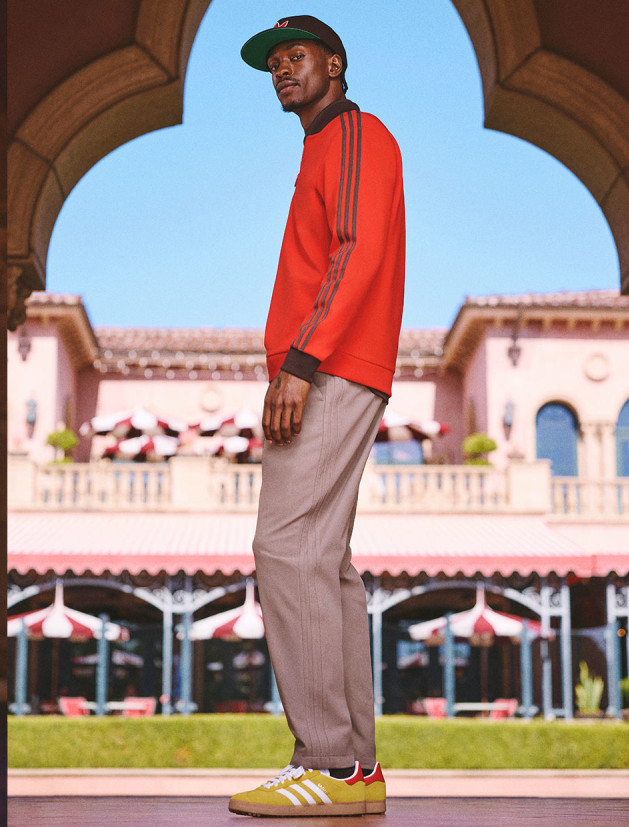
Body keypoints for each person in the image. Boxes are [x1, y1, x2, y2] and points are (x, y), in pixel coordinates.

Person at [226, 15, 402, 819]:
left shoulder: (355, 134)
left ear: (335, 62)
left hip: (330, 366)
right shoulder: (321, 147)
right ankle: (354, 770)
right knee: (325, 564)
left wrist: (300, 361)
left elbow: (358, 247)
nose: (281, 70)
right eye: (272, 64)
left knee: (285, 547)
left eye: (295, 56)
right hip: (329, 364)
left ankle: (325, 758)